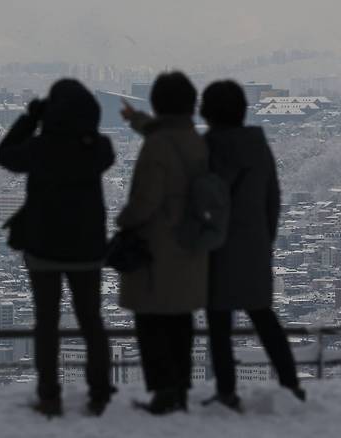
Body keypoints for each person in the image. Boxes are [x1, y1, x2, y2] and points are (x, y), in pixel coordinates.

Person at [0, 79, 115, 417]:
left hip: (44, 249)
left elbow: (4, 155)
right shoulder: (97, 148)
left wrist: (30, 119)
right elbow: (105, 153)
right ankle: (100, 393)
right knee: (92, 321)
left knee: (46, 323)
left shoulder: (39, 149)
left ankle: (49, 396)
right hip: (88, 251)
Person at [200, 80, 305, 412]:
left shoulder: (207, 148)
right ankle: (290, 385)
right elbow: (273, 199)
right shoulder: (258, 146)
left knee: (219, 324)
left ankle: (227, 391)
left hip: (215, 248)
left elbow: (197, 199)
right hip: (254, 246)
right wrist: (264, 239)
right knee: (264, 318)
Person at [117, 71, 208, 415]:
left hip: (157, 248)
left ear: (157, 103)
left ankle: (163, 392)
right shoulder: (195, 140)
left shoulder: (157, 146)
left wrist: (124, 220)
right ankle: (181, 389)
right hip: (188, 245)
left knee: (151, 322)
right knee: (181, 321)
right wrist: (136, 120)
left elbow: (145, 200)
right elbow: (163, 134)